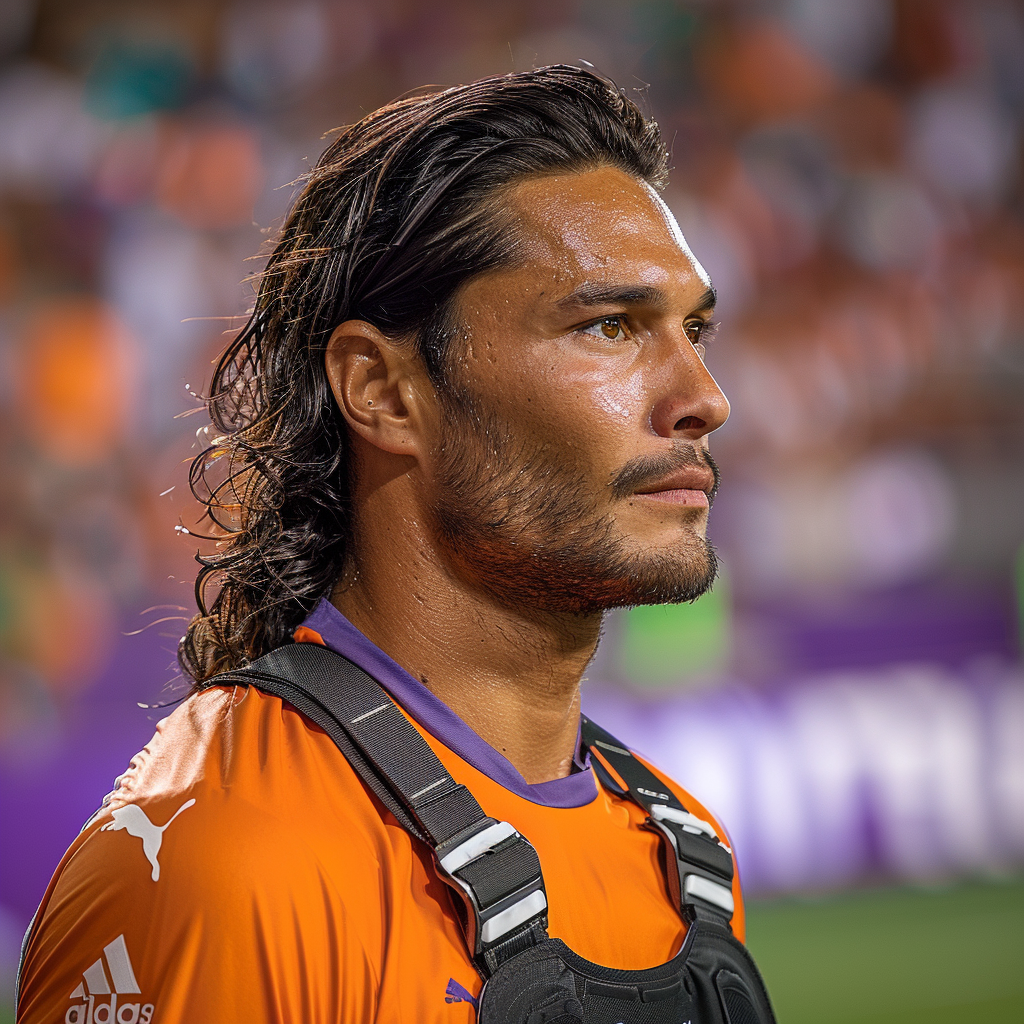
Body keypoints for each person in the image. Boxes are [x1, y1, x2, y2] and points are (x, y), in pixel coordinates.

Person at [17, 66, 773, 1024]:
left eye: (695, 328)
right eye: (611, 325)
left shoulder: (683, 850)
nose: (705, 396)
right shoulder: (222, 855)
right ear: (381, 390)